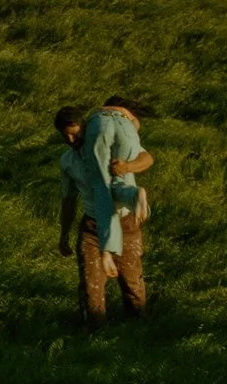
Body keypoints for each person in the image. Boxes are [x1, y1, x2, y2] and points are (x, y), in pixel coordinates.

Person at [55, 96, 155, 324]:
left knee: (132, 285)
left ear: (84, 127)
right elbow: (68, 200)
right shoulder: (67, 162)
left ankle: (139, 330)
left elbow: (147, 158)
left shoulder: (107, 144)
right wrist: (64, 234)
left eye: (74, 134)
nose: (71, 140)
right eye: (65, 136)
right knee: (91, 288)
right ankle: (94, 333)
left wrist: (127, 167)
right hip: (92, 228)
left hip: (125, 223)